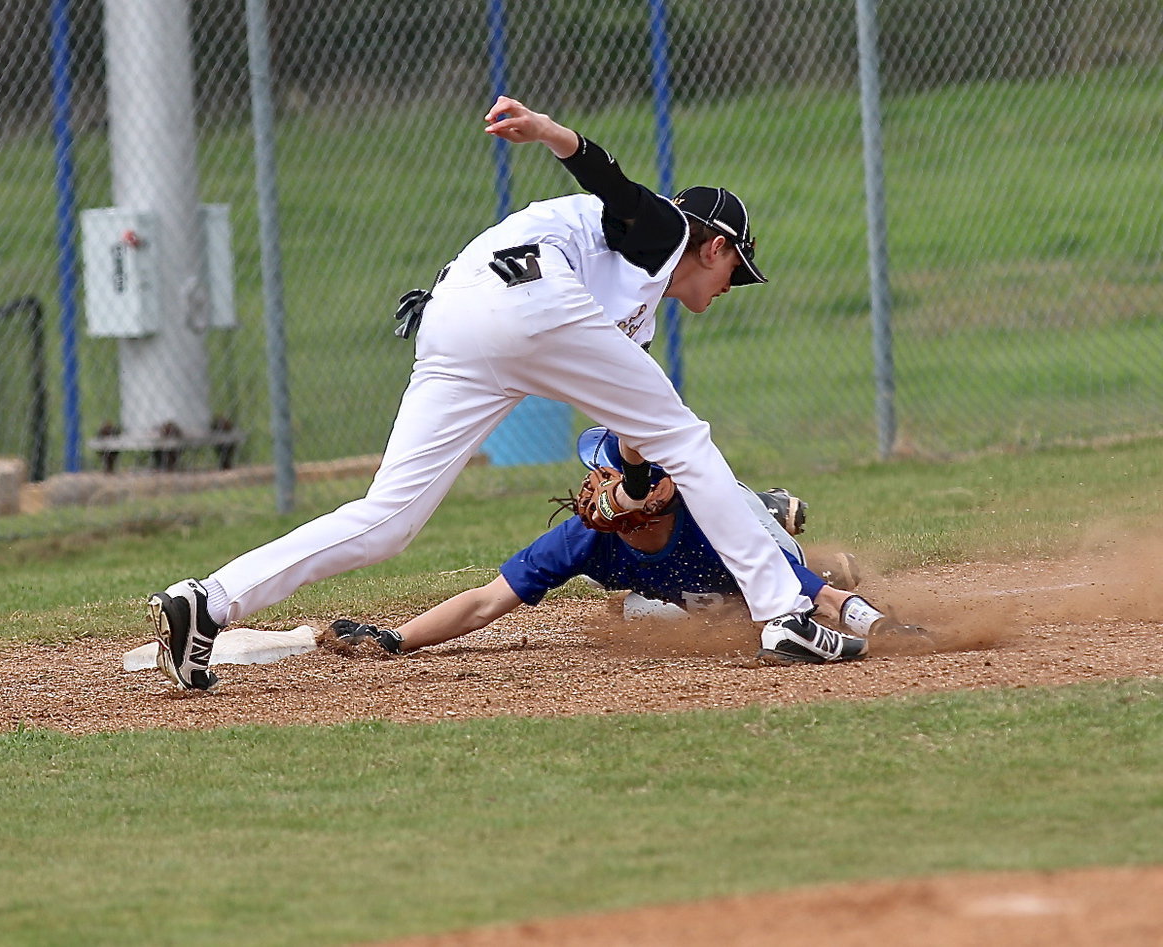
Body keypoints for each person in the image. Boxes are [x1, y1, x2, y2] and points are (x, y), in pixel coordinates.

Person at [149, 95, 859, 692]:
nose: (732, 283)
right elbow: (613, 183)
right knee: (691, 440)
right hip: (532, 298)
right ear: (715, 246)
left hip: (457, 318)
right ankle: (783, 614)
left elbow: (636, 429)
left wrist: (637, 483)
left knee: (387, 517)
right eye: (737, 267)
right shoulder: (671, 231)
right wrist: (553, 134)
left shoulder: (630, 312)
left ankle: (208, 600)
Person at [329, 428, 914, 665]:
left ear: (656, 488)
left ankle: (766, 508)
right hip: (691, 586)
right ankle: (789, 528)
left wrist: (883, 628)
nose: (594, 486)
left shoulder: (715, 523)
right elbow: (487, 602)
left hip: (730, 537)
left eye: (610, 474)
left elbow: (829, 603)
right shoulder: (585, 537)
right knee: (639, 612)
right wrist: (394, 637)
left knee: (782, 583)